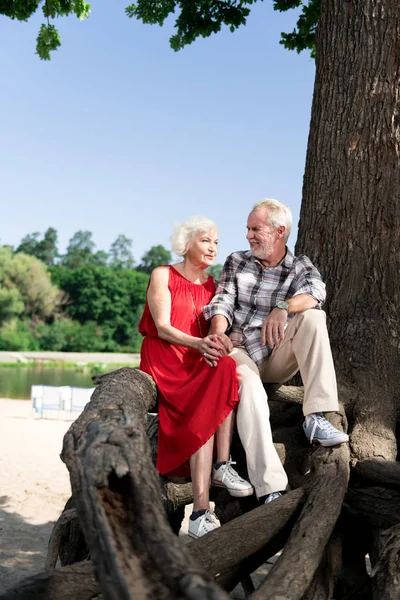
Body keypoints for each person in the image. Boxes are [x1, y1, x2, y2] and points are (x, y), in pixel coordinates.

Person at [203, 198, 349, 504]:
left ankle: (316, 415)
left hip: (276, 352)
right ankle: (271, 488)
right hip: (240, 349)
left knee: (313, 317)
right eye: (248, 229)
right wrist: (218, 334)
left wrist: (283, 307)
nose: (248, 235)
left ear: (279, 231)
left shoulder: (299, 265)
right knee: (252, 392)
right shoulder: (236, 261)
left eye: (255, 229)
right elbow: (223, 302)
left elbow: (314, 293)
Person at [138, 216, 253, 540]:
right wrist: (200, 344)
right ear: (187, 243)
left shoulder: (214, 287)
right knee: (205, 400)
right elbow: (162, 327)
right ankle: (201, 511)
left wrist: (224, 342)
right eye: (206, 240)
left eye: (216, 242)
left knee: (228, 367)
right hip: (166, 357)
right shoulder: (162, 274)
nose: (213, 247)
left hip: (196, 359)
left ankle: (221, 465)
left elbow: (220, 330)